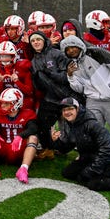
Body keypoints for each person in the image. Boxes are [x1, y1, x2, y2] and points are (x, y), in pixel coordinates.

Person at [61, 34, 110, 176]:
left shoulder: (96, 52)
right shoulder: (72, 64)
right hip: (93, 99)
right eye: (67, 49)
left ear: (80, 45)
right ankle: (92, 157)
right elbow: (79, 88)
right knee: (90, 130)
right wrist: (70, 76)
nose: (71, 51)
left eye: (73, 47)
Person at [51, 98, 110, 192]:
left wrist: (92, 170)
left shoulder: (91, 124)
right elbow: (66, 147)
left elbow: (107, 149)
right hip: (91, 157)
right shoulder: (71, 123)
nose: (67, 112)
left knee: (92, 183)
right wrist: (56, 141)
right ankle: (90, 172)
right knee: (67, 173)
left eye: (70, 109)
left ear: (78, 109)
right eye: (64, 110)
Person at [29, 31, 81, 159]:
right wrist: (37, 80)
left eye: (38, 39)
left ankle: (74, 149)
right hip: (50, 97)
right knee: (41, 123)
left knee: (73, 126)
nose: (36, 42)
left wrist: (49, 74)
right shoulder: (34, 61)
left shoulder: (57, 54)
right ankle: (48, 148)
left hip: (66, 96)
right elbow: (40, 84)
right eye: (33, 41)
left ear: (44, 41)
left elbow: (67, 76)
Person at [0, 88, 39, 184]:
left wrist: (20, 136)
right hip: (4, 147)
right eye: (2, 102)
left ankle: (23, 168)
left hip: (19, 149)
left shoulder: (27, 114)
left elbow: (33, 128)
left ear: (17, 103)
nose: (2, 105)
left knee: (33, 138)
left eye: (7, 103)